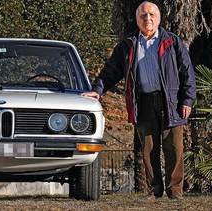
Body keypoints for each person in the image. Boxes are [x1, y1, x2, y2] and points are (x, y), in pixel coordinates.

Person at [81, 1, 196, 200]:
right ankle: (154, 190)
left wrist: (187, 100)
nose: (148, 19)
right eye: (143, 15)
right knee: (149, 149)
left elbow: (187, 73)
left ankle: (174, 191)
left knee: (174, 148)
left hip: (171, 102)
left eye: (152, 15)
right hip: (143, 102)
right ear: (137, 19)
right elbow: (110, 71)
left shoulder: (172, 42)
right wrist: (97, 90)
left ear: (159, 19)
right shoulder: (128, 44)